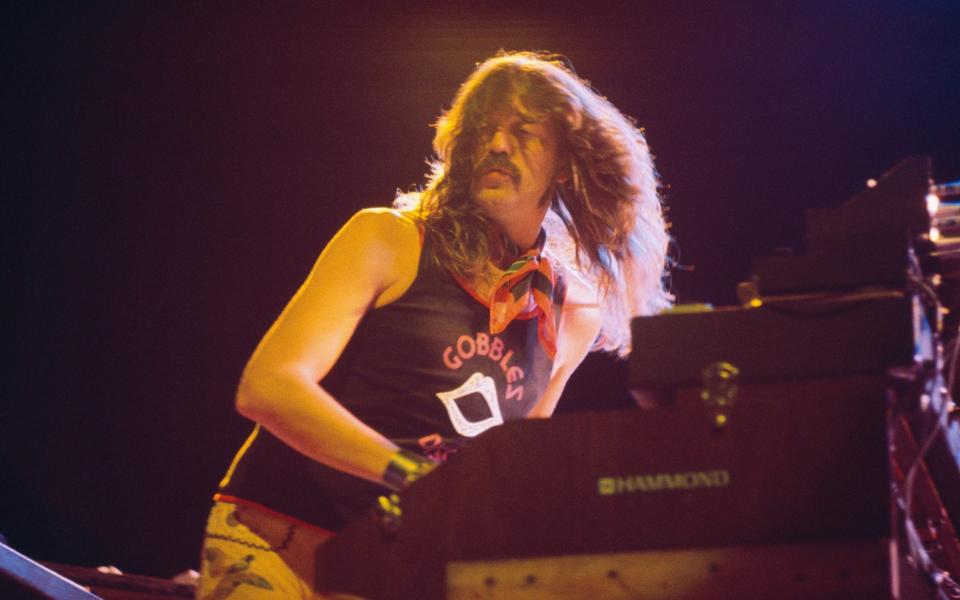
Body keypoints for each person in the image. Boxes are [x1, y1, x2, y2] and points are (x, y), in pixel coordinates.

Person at [196, 50, 671, 599]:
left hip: (400, 568)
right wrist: (413, 479)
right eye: (484, 130)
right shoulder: (388, 240)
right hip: (278, 542)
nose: (496, 145)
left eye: (523, 132)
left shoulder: (570, 314)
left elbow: (507, 469)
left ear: (565, 162)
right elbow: (268, 388)